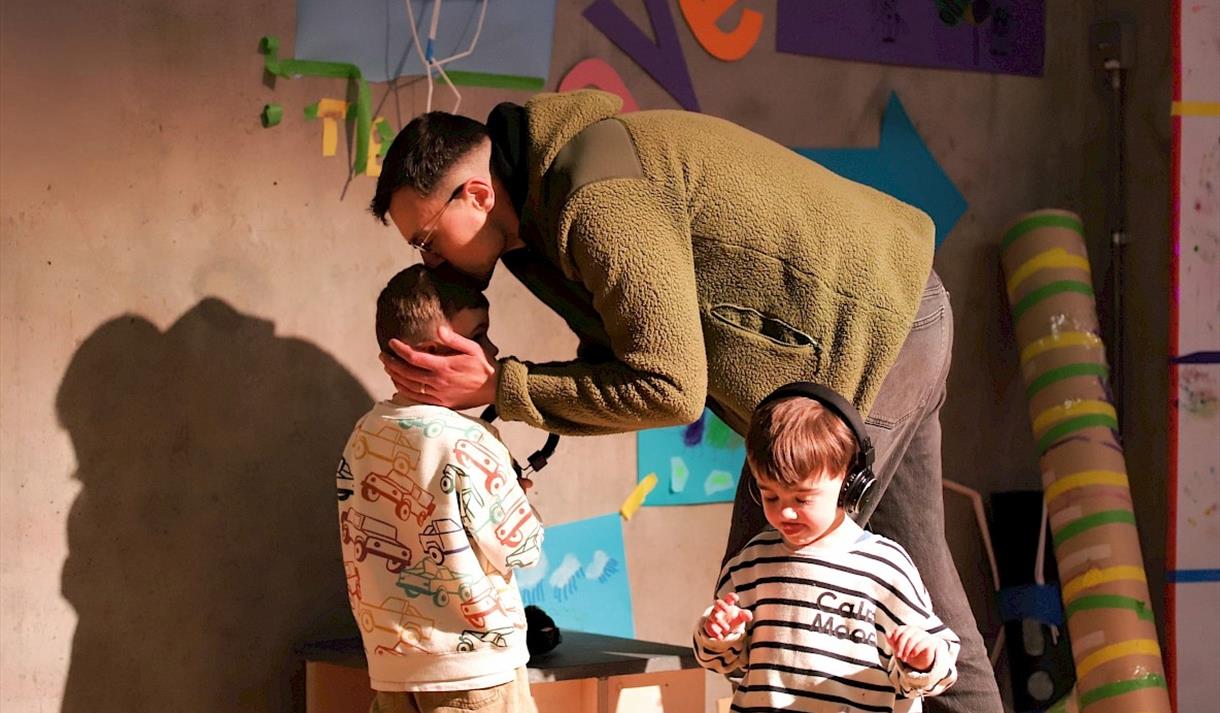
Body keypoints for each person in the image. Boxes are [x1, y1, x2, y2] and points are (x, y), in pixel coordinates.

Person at [368, 89, 1001, 713]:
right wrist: (503, 389)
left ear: (476, 195)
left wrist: (500, 386)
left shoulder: (596, 198)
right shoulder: (539, 223)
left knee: (766, 585)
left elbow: (669, 386)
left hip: (871, 328)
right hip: (895, 315)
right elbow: (619, 361)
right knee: (922, 597)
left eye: (426, 238)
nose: (430, 257)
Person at [337, 265, 543, 713]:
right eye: (481, 335)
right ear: (433, 352)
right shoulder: (470, 440)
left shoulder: (363, 435)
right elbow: (520, 549)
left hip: (394, 670)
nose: (493, 349)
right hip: (477, 675)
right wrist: (518, 498)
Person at [694, 382, 958, 712]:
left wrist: (923, 658)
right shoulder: (749, 565)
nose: (785, 511)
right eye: (770, 495)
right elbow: (729, 666)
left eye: (802, 498)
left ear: (851, 484)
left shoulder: (885, 568)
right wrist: (719, 636)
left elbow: (939, 667)